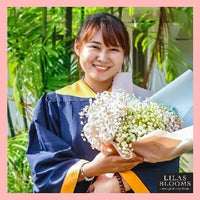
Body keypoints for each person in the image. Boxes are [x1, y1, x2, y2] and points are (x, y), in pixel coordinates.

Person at [26, 12, 180, 193]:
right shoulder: (53, 105)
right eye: (95, 47)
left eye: (114, 49)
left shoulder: (146, 103)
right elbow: (43, 169)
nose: (103, 57)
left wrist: (120, 184)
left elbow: (170, 171)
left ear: (124, 54)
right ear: (77, 47)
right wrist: (90, 170)